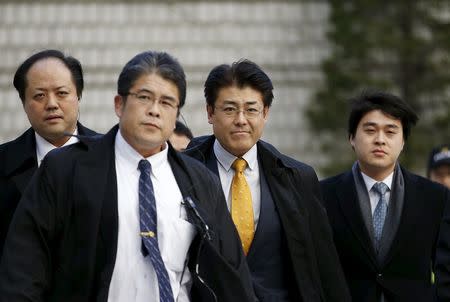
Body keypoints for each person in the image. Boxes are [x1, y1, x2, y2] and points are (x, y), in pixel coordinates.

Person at [0, 51, 255, 302]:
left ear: (176, 115)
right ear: (119, 105)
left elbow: (233, 277)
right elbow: (24, 269)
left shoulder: (199, 182)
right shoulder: (65, 170)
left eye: (167, 102)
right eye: (144, 97)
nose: (154, 110)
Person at [185, 59, 350, 302]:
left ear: (265, 113)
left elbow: (324, 269)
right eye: (229, 109)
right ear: (210, 112)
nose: (241, 119)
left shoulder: (297, 178)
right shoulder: (183, 174)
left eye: (251, 109)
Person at [319, 91, 450, 301]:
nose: (380, 140)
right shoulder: (322, 195)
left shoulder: (435, 198)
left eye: (390, 132)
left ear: (403, 141)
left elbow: (446, 272)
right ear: (352, 138)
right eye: (370, 130)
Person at [0, 49, 98, 256]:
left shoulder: (111, 155)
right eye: (39, 95)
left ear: (78, 96)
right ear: (24, 103)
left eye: (62, 93)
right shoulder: (4, 162)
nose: (52, 104)